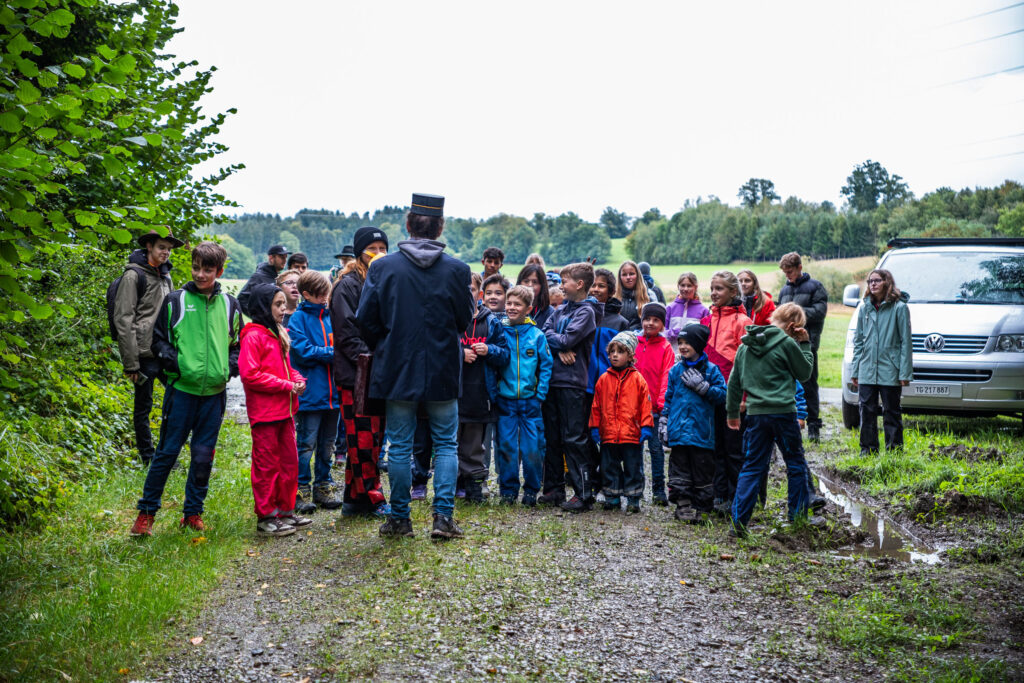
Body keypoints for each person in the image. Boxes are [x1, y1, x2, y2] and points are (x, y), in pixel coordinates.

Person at [356, 193, 474, 539]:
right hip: (442, 366)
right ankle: (443, 518)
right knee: (446, 444)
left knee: (401, 445)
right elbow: (464, 319)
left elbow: (365, 319)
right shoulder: (457, 269)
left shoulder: (382, 267)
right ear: (440, 228)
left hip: (397, 365)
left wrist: (389, 344)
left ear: (408, 225)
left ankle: (399, 519)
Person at [129, 242, 242, 536]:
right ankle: (146, 514)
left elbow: (237, 346)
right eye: (196, 268)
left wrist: (228, 368)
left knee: (203, 456)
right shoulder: (175, 301)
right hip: (182, 393)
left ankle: (193, 513)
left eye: (208, 270)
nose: (201, 274)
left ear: (219, 271)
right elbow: (158, 342)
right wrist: (179, 365)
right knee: (166, 453)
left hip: (214, 395)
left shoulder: (230, 304)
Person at [727, 302, 818, 536]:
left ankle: (738, 522)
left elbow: (734, 382)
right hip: (784, 414)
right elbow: (804, 373)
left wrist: (733, 414)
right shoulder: (787, 343)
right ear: (792, 326)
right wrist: (805, 344)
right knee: (795, 463)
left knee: (752, 466)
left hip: (756, 415)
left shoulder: (746, 345)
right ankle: (797, 517)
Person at [239, 283, 311, 537]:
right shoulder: (254, 336)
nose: (283, 309)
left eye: (284, 304)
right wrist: (286, 385)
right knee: (267, 466)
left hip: (285, 411)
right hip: (265, 413)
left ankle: (285, 511)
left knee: (289, 464)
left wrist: (297, 379)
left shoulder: (277, 332)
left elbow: (286, 368)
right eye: (278, 305)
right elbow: (250, 375)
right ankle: (266, 516)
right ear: (263, 307)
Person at [329, 226, 390, 518]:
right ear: (360, 252)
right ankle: (374, 496)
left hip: (378, 372)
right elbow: (347, 334)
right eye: (372, 248)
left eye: (382, 247)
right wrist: (371, 361)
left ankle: (354, 498)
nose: (378, 253)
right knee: (362, 438)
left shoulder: (380, 281)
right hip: (356, 375)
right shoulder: (348, 285)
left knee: (372, 437)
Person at [112, 229, 182, 465]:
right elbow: (124, 318)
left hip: (164, 350)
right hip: (143, 354)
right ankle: (147, 456)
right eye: (162, 247)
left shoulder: (165, 275)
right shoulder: (134, 276)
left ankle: (166, 454)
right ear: (149, 247)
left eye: (169, 249)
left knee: (177, 401)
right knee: (143, 407)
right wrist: (130, 362)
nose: (166, 252)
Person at [539, 262, 603, 511]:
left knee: (574, 438)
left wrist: (561, 342)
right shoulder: (560, 310)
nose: (561, 286)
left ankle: (583, 492)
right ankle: (553, 489)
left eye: (565, 281)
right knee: (552, 437)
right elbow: (543, 333)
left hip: (573, 384)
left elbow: (567, 338)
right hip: (553, 381)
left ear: (579, 284)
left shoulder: (586, 312)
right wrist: (561, 347)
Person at [289, 270, 342, 513]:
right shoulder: (297, 319)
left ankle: (324, 486)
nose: (324, 298)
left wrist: (331, 352)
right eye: (320, 295)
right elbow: (304, 351)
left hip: (334, 394)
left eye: (327, 293)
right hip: (311, 393)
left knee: (328, 443)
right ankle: (301, 489)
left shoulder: (332, 316)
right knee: (306, 443)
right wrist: (333, 354)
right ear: (306, 294)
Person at [661, 324, 726, 522]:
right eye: (680, 342)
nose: (682, 346)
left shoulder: (711, 371)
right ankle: (683, 505)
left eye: (687, 342)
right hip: (679, 431)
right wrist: (664, 420)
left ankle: (703, 506)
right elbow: (669, 397)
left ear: (698, 344)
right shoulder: (675, 371)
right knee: (679, 469)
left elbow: (723, 396)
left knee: (703, 469)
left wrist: (704, 388)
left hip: (701, 432)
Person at [701, 270, 753, 515]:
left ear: (733, 292)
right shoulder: (707, 319)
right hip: (711, 394)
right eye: (712, 289)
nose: (714, 293)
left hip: (734, 398)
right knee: (715, 447)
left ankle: (736, 496)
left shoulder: (743, 322)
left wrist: (743, 398)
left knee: (734, 449)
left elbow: (749, 365)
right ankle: (718, 494)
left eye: (719, 289)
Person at [495, 285, 553, 505]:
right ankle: (508, 490)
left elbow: (546, 365)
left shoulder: (537, 336)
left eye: (517, 304)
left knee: (532, 448)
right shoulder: (499, 331)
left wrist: (540, 394)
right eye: (509, 303)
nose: (511, 307)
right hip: (505, 399)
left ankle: (531, 489)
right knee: (507, 446)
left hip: (530, 401)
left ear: (528, 308)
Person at [458, 273, 510, 502]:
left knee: (473, 445)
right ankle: (450, 485)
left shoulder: (492, 322)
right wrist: (460, 354)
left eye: (470, 289)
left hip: (480, 393)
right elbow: (435, 350)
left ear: (479, 294)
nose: (465, 293)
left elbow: (505, 354)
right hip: (452, 392)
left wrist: (490, 351)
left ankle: (474, 487)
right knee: (449, 442)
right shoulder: (449, 319)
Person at [590, 331, 654, 513]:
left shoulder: (637, 379)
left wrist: (646, 426)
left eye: (620, 351)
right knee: (609, 466)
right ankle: (612, 496)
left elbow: (645, 404)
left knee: (633, 467)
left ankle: (633, 497)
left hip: (631, 434)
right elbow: (596, 405)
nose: (615, 355)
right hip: (609, 433)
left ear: (630, 355)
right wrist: (595, 427)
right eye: (612, 352)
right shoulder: (603, 379)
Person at [850, 269, 912, 455]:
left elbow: (905, 343)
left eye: (877, 280)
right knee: (866, 411)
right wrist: (855, 370)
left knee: (891, 412)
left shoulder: (899, 308)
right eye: (870, 281)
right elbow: (858, 340)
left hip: (890, 369)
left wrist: (904, 373)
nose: (873, 284)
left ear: (887, 282)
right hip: (867, 367)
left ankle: (894, 452)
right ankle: (867, 450)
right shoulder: (864, 308)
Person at [777, 252, 828, 442]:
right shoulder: (784, 291)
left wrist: (794, 314)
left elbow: (819, 312)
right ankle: (790, 421)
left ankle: (814, 425)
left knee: (809, 384)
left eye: (790, 271)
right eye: (785, 272)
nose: (787, 275)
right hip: (785, 344)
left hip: (807, 343)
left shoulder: (816, 287)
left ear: (799, 267)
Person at [634, 302, 674, 505]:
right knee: (636, 449)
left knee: (656, 450)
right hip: (634, 407)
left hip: (655, 409)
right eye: (647, 319)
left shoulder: (666, 347)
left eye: (656, 320)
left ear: (662, 324)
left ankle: (659, 489)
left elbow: (667, 376)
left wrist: (660, 403)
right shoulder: (634, 343)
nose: (650, 323)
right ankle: (637, 488)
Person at [238, 244, 290, 317]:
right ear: (271, 258)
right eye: (281, 257)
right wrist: (258, 317)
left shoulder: (277, 277)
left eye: (286, 257)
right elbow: (242, 300)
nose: (285, 260)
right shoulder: (258, 277)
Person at [665, 272, 709, 351]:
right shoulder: (670, 308)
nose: (685, 289)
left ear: (695, 287)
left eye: (689, 286)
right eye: (682, 285)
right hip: (672, 354)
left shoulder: (703, 311)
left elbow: (705, 336)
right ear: (678, 286)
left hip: (694, 355)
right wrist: (675, 332)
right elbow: (663, 332)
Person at [517, 264, 553, 329]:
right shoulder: (511, 308)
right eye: (526, 281)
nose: (530, 285)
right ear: (519, 283)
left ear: (542, 286)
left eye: (535, 282)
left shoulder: (550, 312)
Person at [618, 260, 650, 330]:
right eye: (624, 275)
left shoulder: (648, 298)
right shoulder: (613, 300)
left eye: (631, 274)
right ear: (619, 277)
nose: (628, 277)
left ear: (638, 276)